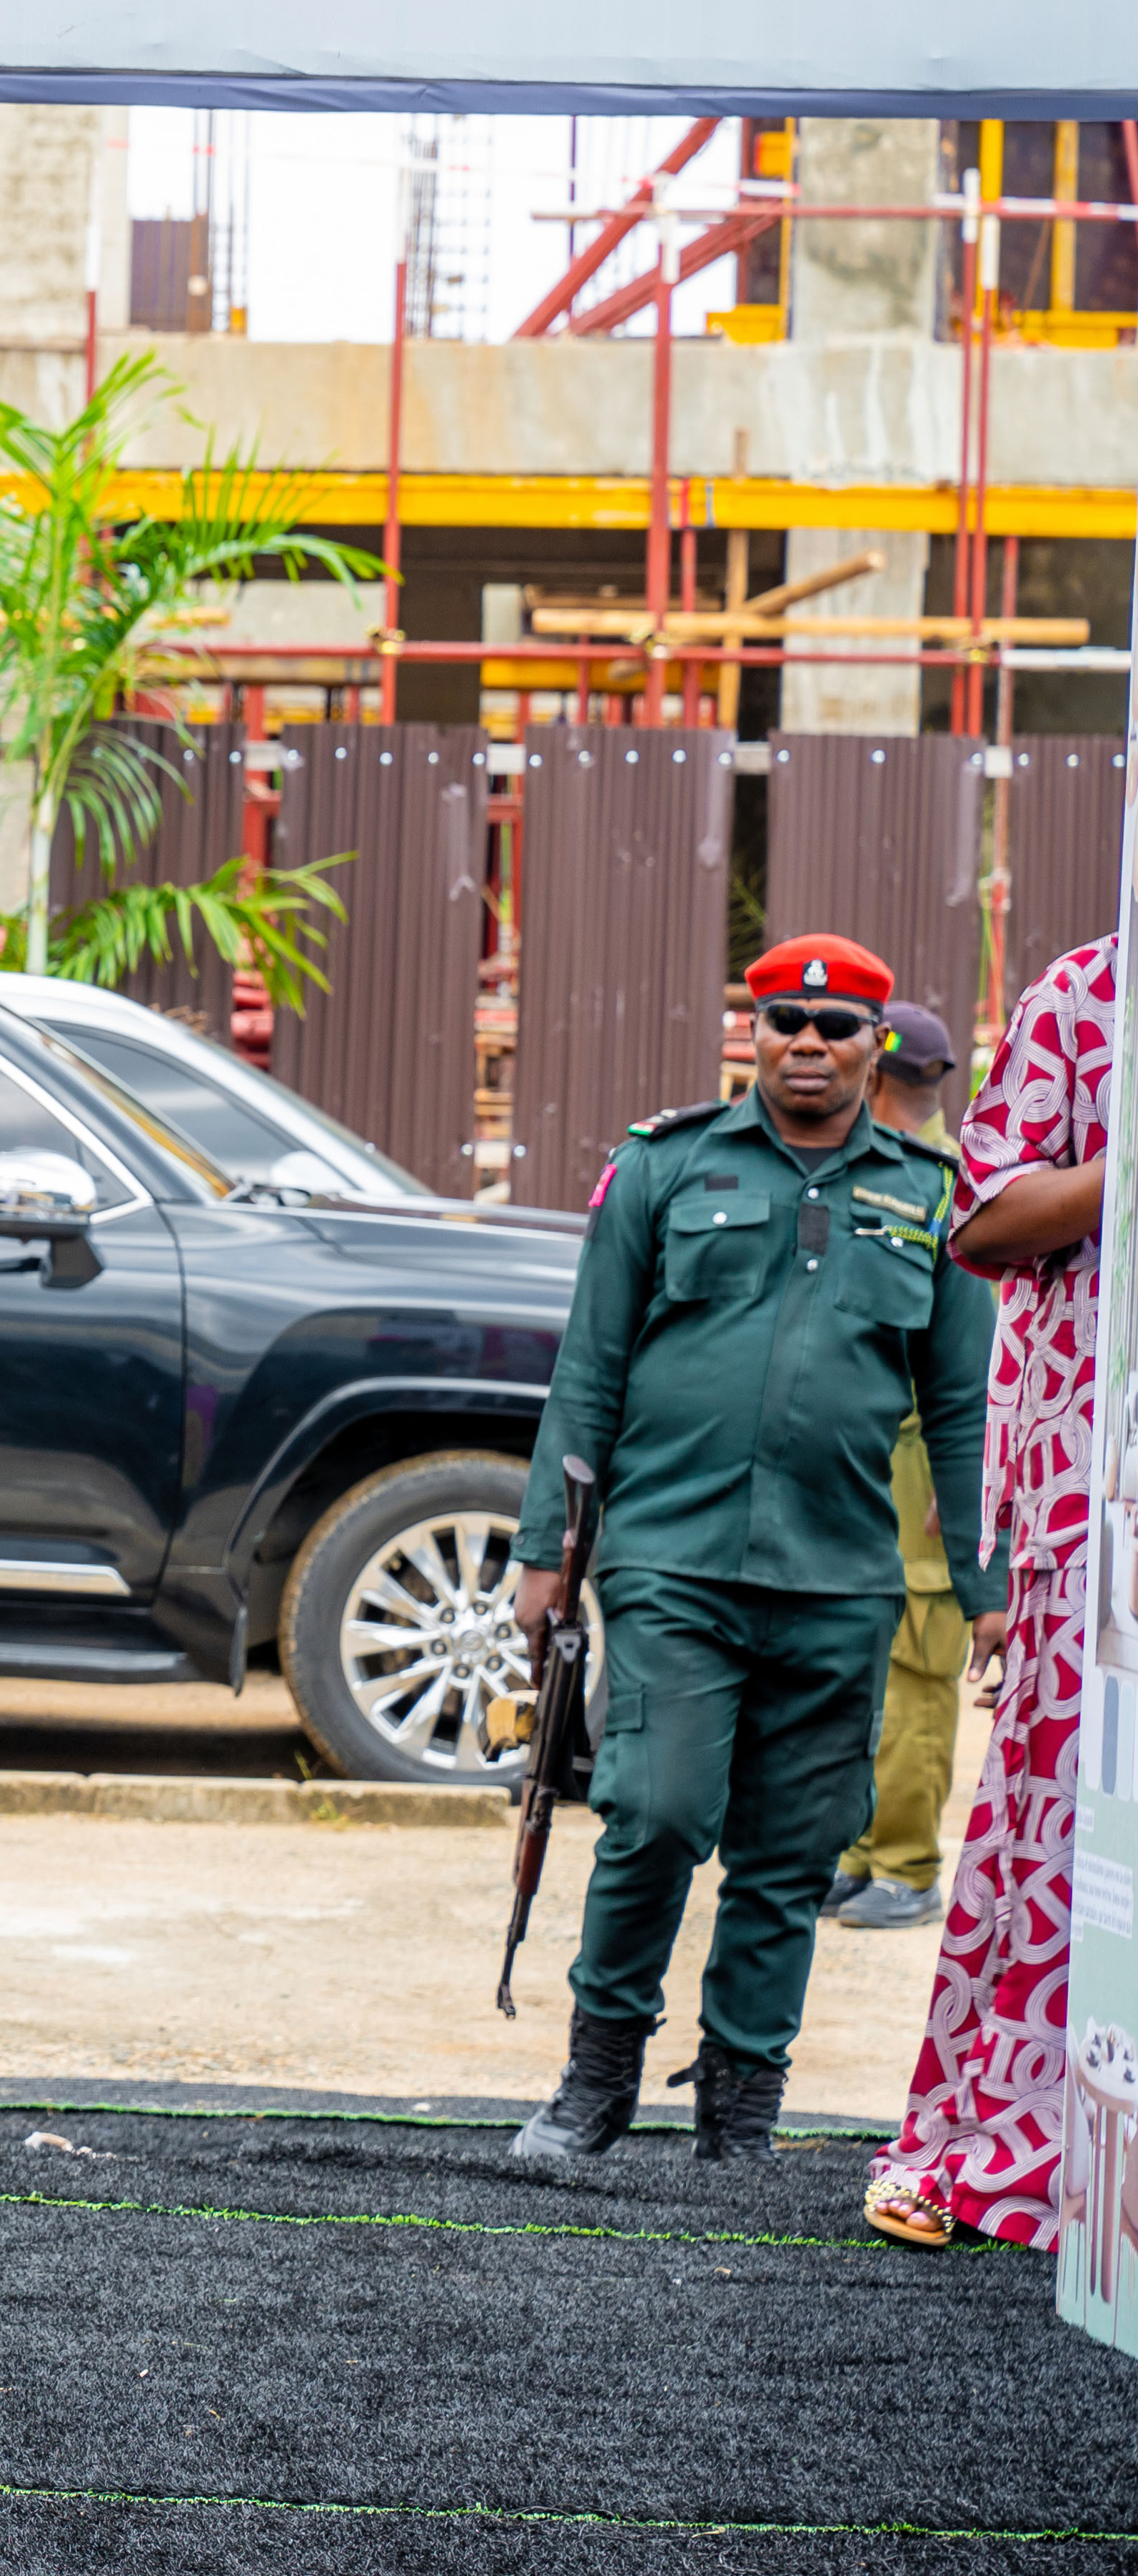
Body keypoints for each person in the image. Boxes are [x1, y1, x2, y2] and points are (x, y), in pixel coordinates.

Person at [509, 935, 995, 2164]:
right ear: (752, 1033)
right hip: (672, 1555)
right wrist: (541, 1552)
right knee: (657, 1811)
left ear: (875, 1043)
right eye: (786, 1021)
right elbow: (587, 1366)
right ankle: (594, 2080)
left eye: (836, 1026)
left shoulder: (932, 1197)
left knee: (787, 1857)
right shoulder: (662, 1166)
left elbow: (959, 1406)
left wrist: (984, 1583)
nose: (809, 1044)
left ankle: (739, 2109)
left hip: (839, 1579)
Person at [870, 936, 1114, 2249]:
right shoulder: (1083, 994)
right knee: (1070, 1803)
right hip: (1101, 1489)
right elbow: (981, 1223)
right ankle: (1022, 2136)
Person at [829, 1000, 970, 1932]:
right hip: (866, 1453)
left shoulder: (952, 1186)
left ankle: (908, 1864)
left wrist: (963, 1487)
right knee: (852, 1661)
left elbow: (987, 1358)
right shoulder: (864, 1171)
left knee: (918, 1669)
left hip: (927, 1462)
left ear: (876, 1075)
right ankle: (852, 1852)